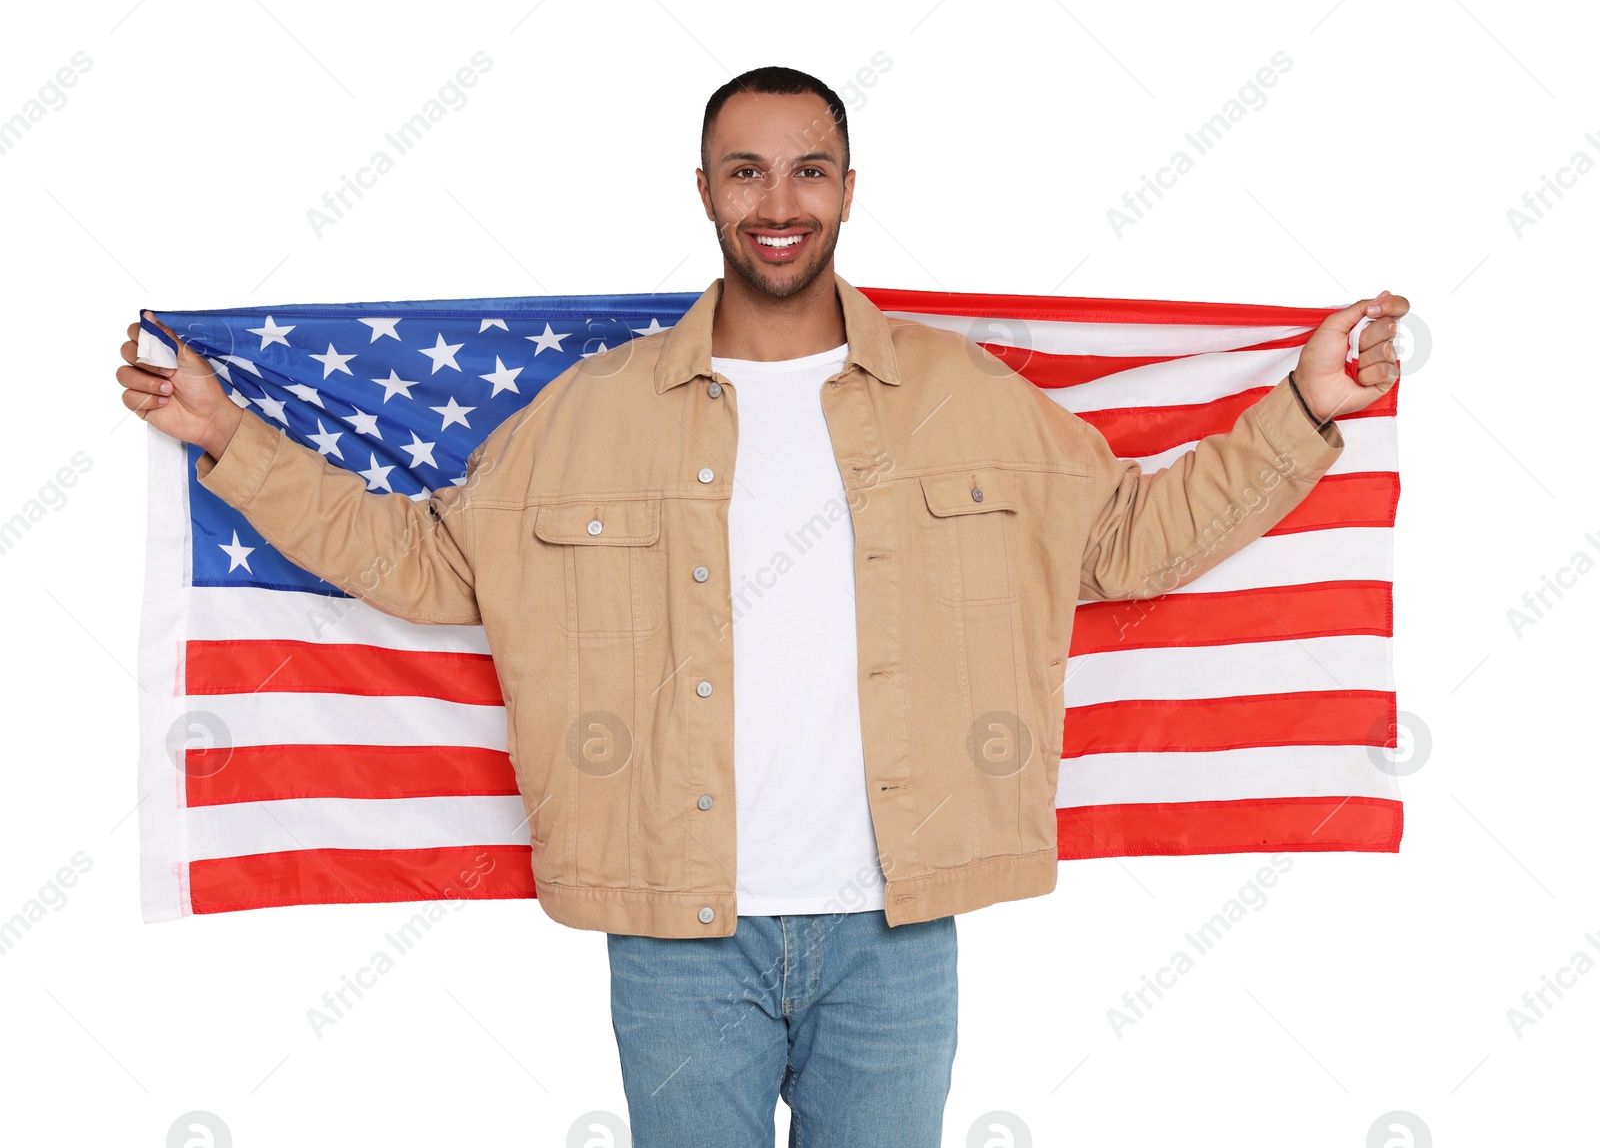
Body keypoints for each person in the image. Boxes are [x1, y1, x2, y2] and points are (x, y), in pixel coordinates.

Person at [116, 65, 1406, 1147]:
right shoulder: (599, 408)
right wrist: (229, 437)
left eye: (808, 171)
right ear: (704, 192)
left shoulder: (963, 394)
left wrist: (1304, 414)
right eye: (746, 171)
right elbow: (432, 566)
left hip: (895, 930)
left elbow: (1129, 538)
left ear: (848, 190)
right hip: (678, 933)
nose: (778, 203)